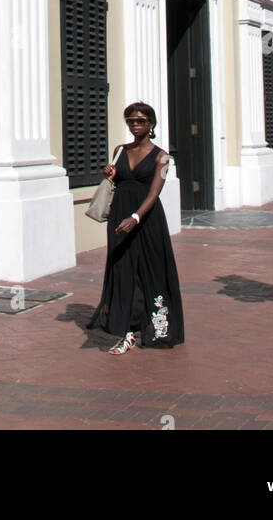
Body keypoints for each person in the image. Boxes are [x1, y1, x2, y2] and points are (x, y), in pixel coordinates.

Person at [88, 102, 184, 354]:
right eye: (131, 120)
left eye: (140, 120)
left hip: (146, 219)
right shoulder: (120, 150)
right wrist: (109, 172)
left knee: (150, 271)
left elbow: (154, 193)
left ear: (151, 123)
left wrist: (135, 217)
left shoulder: (162, 156)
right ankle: (126, 329)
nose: (135, 125)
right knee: (123, 270)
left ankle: (157, 326)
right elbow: (116, 179)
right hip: (119, 216)